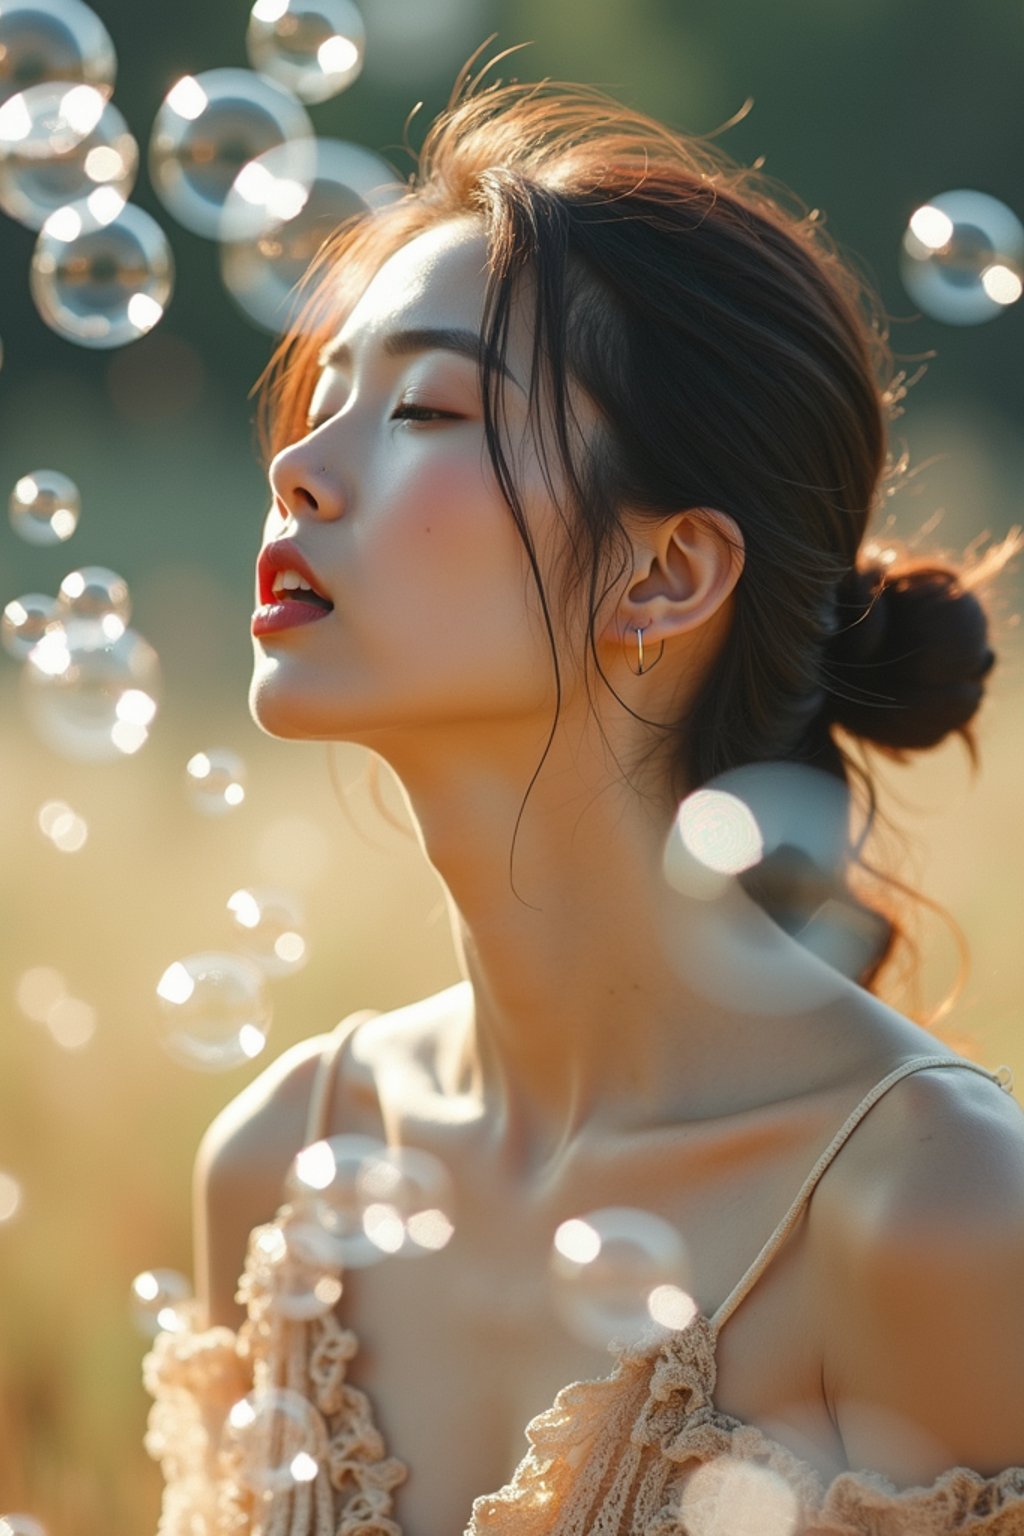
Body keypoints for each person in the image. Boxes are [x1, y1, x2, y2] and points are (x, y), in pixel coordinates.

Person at [143, 56, 1024, 1536]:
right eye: (321, 395)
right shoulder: (278, 1170)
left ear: (666, 573)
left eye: (423, 409)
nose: (295, 467)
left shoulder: (939, 1219)